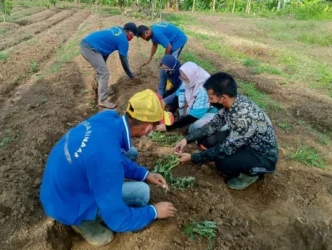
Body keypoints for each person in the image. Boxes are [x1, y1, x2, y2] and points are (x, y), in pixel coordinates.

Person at [40, 89, 177, 246]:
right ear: (147, 127)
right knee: (141, 194)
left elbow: (112, 156)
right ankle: (82, 222)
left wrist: (144, 174)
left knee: (130, 152)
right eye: (154, 125)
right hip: (66, 205)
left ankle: (99, 195)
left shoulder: (107, 116)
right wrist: (153, 212)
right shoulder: (108, 161)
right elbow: (118, 220)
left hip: (59, 187)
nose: (152, 129)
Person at [174, 72, 278, 190]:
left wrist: (193, 157)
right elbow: (212, 126)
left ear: (222, 97)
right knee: (209, 141)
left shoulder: (242, 117)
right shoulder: (231, 102)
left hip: (262, 156)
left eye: (211, 98)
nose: (209, 101)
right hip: (245, 142)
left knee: (222, 162)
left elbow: (224, 150)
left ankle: (250, 175)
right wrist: (186, 140)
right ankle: (242, 161)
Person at [80, 22, 137, 109]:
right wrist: (130, 74)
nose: (132, 38)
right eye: (133, 35)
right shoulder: (123, 40)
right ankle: (102, 100)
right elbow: (124, 60)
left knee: (102, 71)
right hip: (89, 47)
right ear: (129, 33)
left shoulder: (118, 29)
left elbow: (106, 45)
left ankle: (103, 90)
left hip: (88, 43)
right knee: (104, 72)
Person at [156, 62, 218, 134]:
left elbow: (193, 117)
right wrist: (171, 112)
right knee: (186, 117)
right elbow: (178, 95)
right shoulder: (189, 79)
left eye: (185, 79)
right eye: (182, 78)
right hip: (198, 109)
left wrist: (168, 127)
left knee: (195, 126)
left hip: (210, 112)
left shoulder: (204, 91)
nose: (183, 81)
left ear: (194, 77)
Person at [137, 22, 187, 97]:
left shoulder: (157, 33)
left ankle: (177, 84)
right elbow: (155, 44)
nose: (144, 39)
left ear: (146, 33)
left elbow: (169, 47)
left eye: (142, 37)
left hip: (178, 41)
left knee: (169, 64)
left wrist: (164, 61)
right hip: (174, 39)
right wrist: (150, 57)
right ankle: (169, 83)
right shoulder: (152, 31)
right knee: (167, 65)